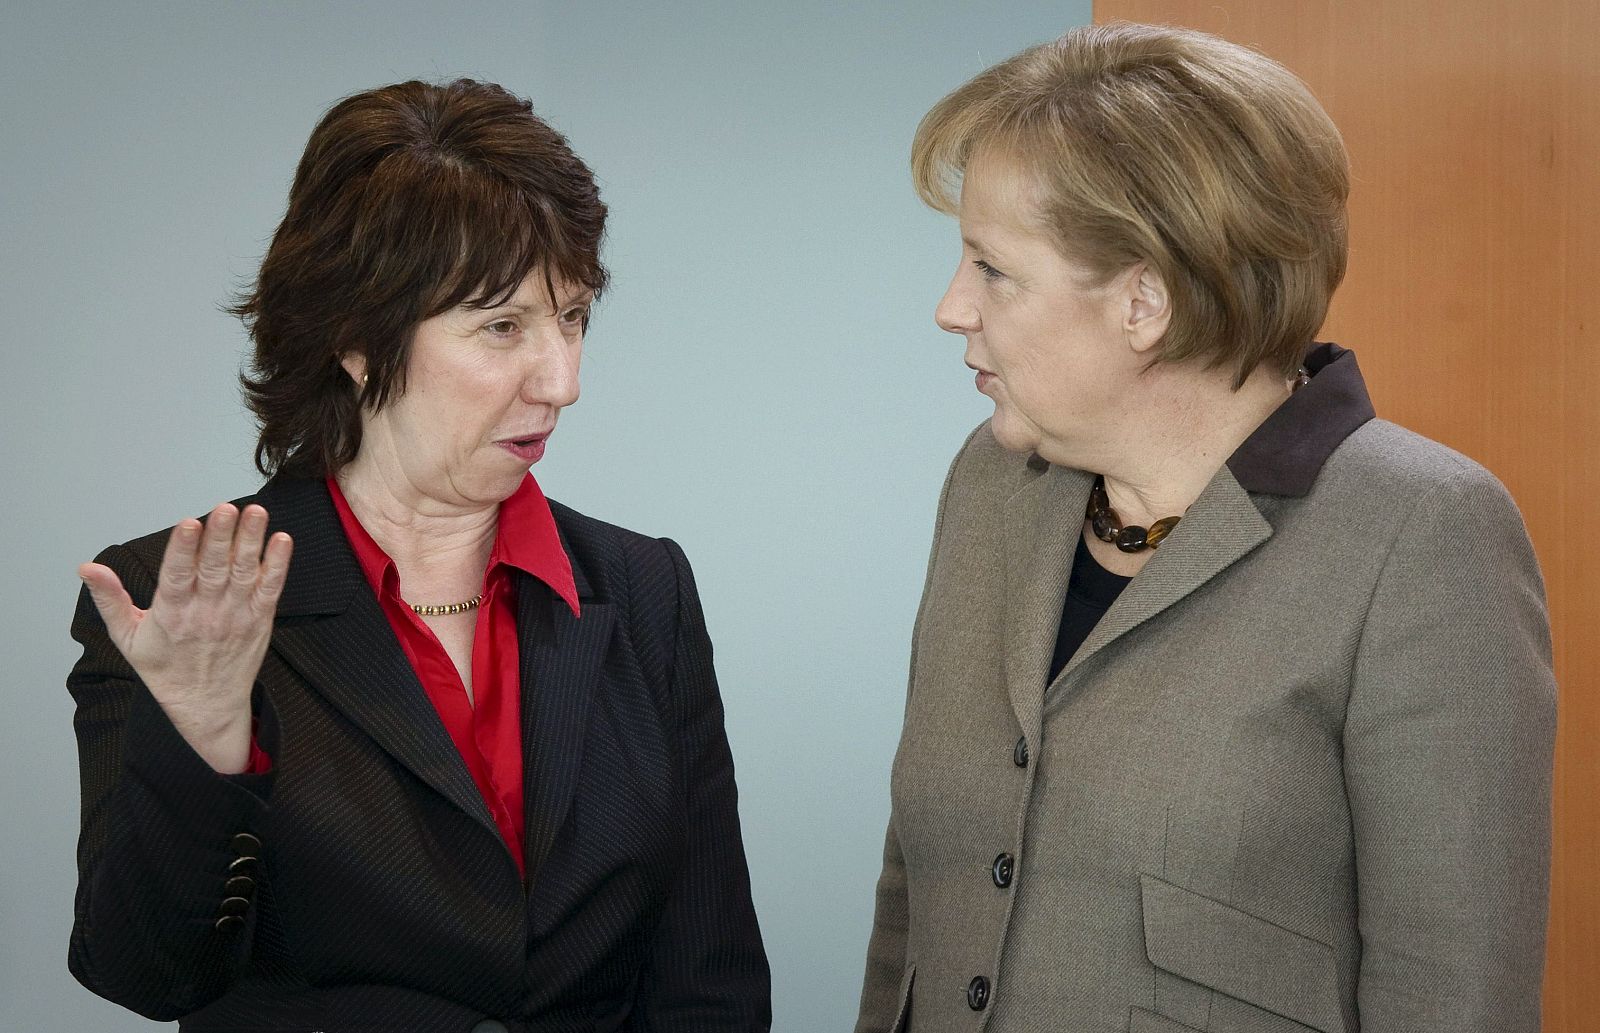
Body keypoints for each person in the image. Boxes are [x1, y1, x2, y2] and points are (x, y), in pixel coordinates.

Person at [855, 23, 1554, 1033]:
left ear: (1145, 300)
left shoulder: (1423, 534)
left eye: (991, 268)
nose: (950, 307)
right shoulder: (992, 480)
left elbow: (1454, 996)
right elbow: (914, 896)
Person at [68, 79, 770, 1032]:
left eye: (574, 318)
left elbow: (710, 983)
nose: (564, 381)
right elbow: (148, 972)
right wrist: (204, 740)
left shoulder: (647, 590)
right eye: (503, 326)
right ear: (359, 336)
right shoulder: (172, 598)